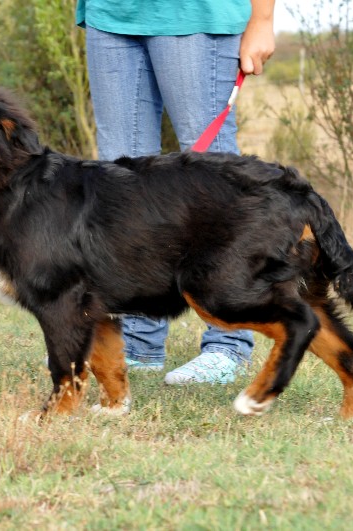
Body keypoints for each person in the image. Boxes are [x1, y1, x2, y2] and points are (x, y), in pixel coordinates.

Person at [76, 0, 276, 384]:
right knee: (122, 186)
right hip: (111, 14)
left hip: (196, 14)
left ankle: (228, 344)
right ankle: (139, 343)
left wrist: (263, 19)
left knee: (212, 182)